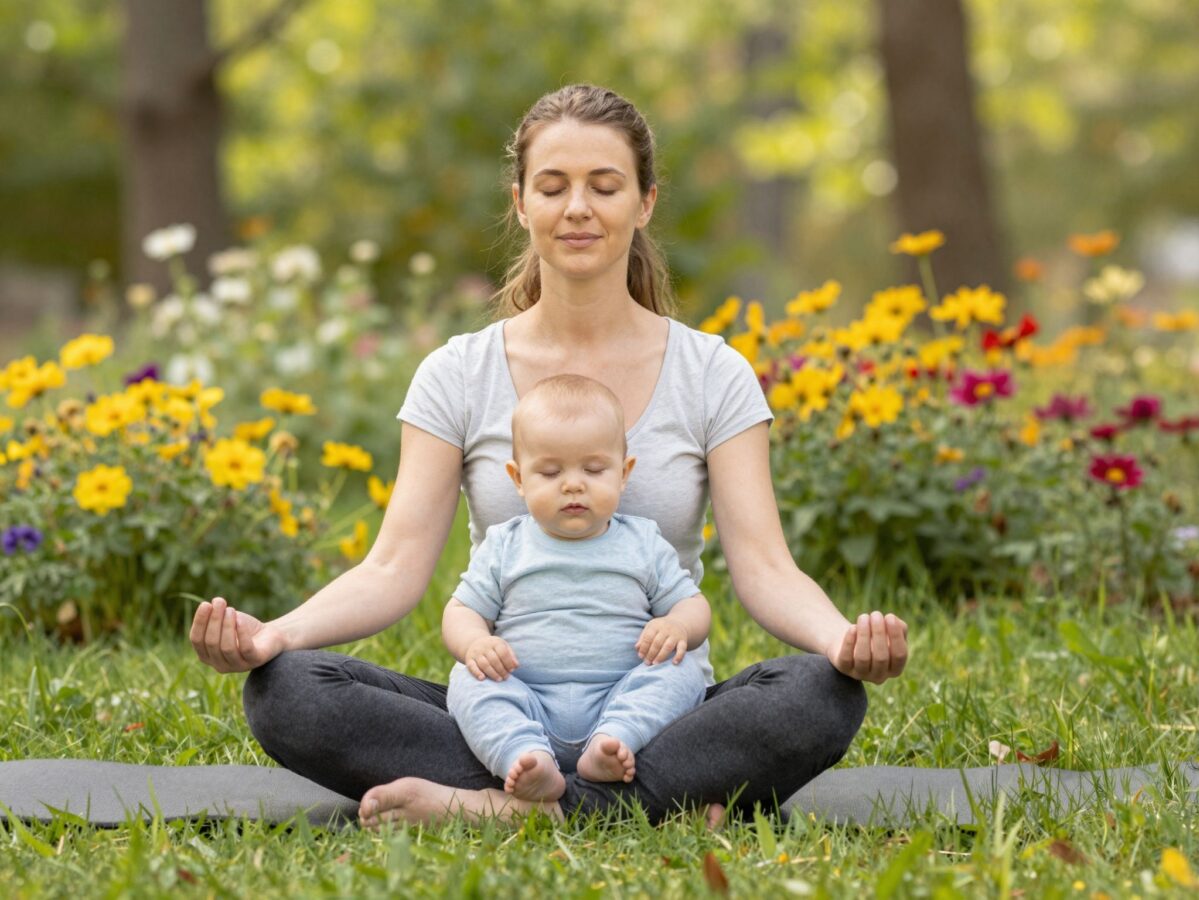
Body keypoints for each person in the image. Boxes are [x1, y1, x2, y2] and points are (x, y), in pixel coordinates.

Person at [189, 83, 909, 829]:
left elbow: (764, 568)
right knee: (288, 690)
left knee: (820, 694)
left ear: (645, 202)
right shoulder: (458, 372)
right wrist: (275, 635)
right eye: (554, 186)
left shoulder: (712, 372)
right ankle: (624, 803)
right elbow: (392, 569)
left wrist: (841, 642)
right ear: (521, 202)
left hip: (647, 715)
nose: (578, 209)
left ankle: (505, 811)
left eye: (605, 186)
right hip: (505, 711)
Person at [444, 373, 711, 802]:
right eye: (549, 472)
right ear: (517, 478)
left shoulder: (642, 542)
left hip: (621, 693)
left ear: (624, 474)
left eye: (593, 469)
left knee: (681, 671)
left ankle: (613, 743)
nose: (573, 484)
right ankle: (526, 757)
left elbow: (694, 606)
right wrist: (475, 642)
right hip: (525, 696)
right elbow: (461, 611)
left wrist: (679, 626)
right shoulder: (506, 545)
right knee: (467, 680)